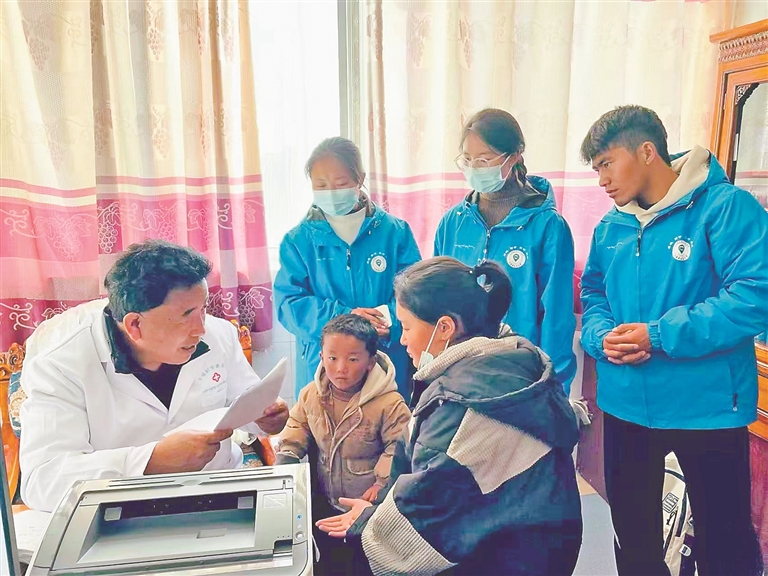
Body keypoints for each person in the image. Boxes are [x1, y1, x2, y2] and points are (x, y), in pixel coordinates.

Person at [579, 105, 768, 576]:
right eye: (596, 169)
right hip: (626, 404)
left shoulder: (725, 208)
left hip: (705, 406)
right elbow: (594, 292)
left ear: (647, 151)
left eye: (607, 163)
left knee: (725, 541)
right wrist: (600, 336)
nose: (602, 180)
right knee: (633, 539)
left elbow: (754, 296)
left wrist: (659, 335)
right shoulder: (612, 226)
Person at [316, 257, 583, 576]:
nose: (402, 339)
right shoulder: (506, 361)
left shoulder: (467, 407)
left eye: (408, 327)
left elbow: (426, 516)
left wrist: (368, 524)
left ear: (444, 328)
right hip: (542, 543)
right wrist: (381, 507)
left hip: (515, 558)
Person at [19, 240, 289, 512]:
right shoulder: (60, 363)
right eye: (186, 315)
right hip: (123, 510)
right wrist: (150, 462)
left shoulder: (220, 334)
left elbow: (244, 401)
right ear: (135, 324)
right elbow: (43, 481)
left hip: (221, 491)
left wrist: (265, 418)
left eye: (203, 309)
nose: (201, 329)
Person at [434, 108, 577, 394]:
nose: (474, 168)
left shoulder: (547, 226)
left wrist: (552, 390)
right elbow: (435, 301)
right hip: (458, 374)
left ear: (514, 157)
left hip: (520, 374)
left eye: (484, 160)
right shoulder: (452, 223)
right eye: (467, 159)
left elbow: (556, 317)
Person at [274, 137, 421, 400]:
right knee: (322, 422)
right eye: (321, 185)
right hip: (324, 367)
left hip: (384, 359)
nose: (331, 192)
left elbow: (416, 293)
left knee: (387, 420)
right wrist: (347, 318)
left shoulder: (395, 233)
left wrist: (387, 321)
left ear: (360, 178)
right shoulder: (298, 241)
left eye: (340, 184)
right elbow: (289, 304)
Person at [276, 314, 411, 575]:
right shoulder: (311, 394)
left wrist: (382, 484)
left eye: (352, 359)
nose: (340, 368)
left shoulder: (390, 403)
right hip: (326, 498)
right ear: (321, 356)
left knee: (362, 562)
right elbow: (298, 424)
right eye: (332, 358)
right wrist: (288, 454)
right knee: (328, 560)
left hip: (368, 506)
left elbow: (398, 447)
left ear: (371, 362)